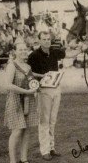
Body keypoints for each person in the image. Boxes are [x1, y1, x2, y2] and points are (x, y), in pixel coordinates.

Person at [27, 31, 66, 161]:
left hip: (55, 88)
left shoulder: (54, 51)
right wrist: (42, 76)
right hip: (43, 90)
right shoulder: (34, 55)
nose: (46, 41)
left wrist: (82, 47)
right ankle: (45, 150)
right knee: (44, 120)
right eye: (44, 39)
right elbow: (29, 72)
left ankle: (51, 147)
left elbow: (68, 54)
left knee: (52, 120)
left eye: (48, 39)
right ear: (39, 40)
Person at [4, 42, 38, 163]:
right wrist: (26, 91)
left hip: (28, 101)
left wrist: (43, 77)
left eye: (25, 49)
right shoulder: (11, 65)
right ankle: (13, 161)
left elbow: (31, 79)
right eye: (20, 49)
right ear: (15, 51)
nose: (23, 51)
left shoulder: (27, 66)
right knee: (17, 131)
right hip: (15, 101)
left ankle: (24, 159)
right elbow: (8, 85)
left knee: (27, 130)